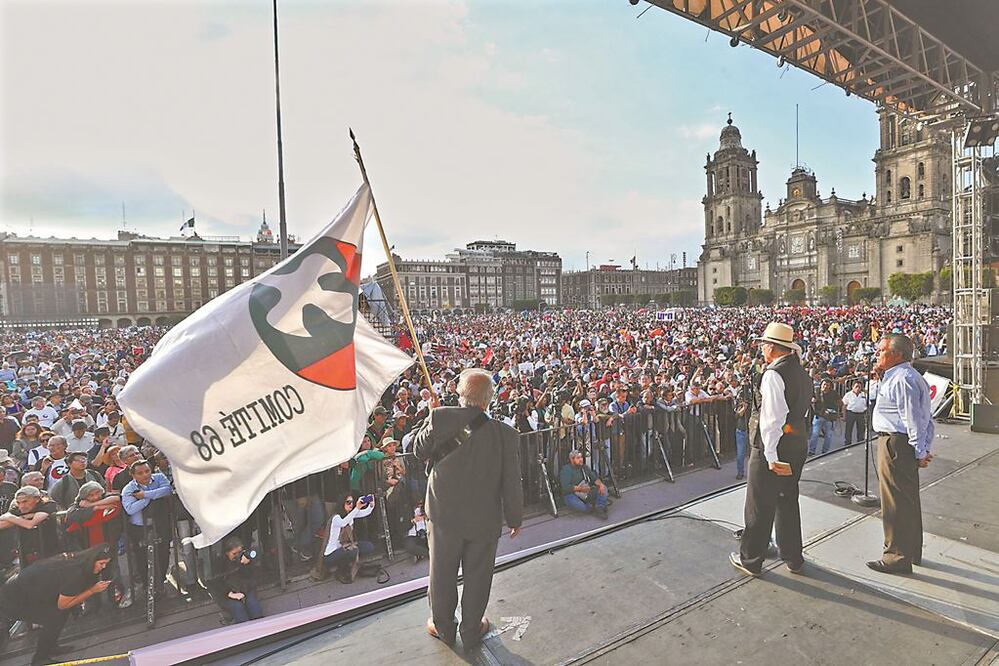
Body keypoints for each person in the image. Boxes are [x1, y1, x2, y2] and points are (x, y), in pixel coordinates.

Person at [413, 368, 523, 651]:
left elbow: (418, 450)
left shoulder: (440, 417)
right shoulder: (506, 434)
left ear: (460, 393)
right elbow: (512, 480)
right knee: (478, 576)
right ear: (489, 399)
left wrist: (431, 417)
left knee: (442, 572)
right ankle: (472, 630)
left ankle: (443, 628)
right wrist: (515, 518)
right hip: (484, 517)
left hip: (443, 515)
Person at [731, 323, 811, 577]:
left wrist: (770, 455)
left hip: (773, 448)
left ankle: (751, 559)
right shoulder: (799, 371)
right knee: (787, 500)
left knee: (759, 505)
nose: (762, 348)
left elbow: (772, 419)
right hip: (796, 444)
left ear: (773, 348)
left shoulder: (774, 375)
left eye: (764, 344)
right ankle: (793, 557)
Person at [867, 334, 933, 575]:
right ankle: (911, 550)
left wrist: (920, 451)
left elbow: (913, 419)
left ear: (896, 354)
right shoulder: (903, 376)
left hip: (895, 444)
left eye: (882, 350)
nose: (877, 354)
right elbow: (925, 418)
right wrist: (922, 448)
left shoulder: (902, 379)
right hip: (901, 444)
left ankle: (896, 557)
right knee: (907, 499)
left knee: (894, 503)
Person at [0, 544, 114, 666]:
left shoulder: (78, 561)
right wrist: (92, 591)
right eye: (101, 563)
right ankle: (40, 658)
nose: (103, 567)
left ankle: (50, 646)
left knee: (60, 613)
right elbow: (63, 604)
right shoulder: (76, 573)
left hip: (26, 591)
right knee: (53, 617)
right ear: (92, 560)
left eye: (106, 564)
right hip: (15, 599)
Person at [121, 459, 173, 595]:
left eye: (147, 471)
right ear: (133, 475)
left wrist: (144, 495)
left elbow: (167, 490)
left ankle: (161, 582)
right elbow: (130, 509)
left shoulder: (159, 477)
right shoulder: (129, 489)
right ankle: (148, 585)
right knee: (142, 557)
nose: (145, 475)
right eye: (140, 473)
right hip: (139, 528)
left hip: (160, 524)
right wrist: (150, 498)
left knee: (163, 553)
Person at [0, 485, 61, 568]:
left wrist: (11, 518)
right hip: (27, 553)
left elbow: (30, 524)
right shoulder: (17, 508)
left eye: (25, 501)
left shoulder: (47, 505)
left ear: (37, 499)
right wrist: (21, 518)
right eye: (18, 502)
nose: (21, 506)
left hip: (49, 551)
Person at [322, 493, 375, 581]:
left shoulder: (350, 514)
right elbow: (343, 522)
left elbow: (365, 513)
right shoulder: (336, 517)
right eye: (348, 502)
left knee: (369, 546)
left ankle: (349, 564)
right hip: (331, 555)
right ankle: (341, 569)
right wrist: (357, 508)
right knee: (352, 551)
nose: (351, 504)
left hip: (345, 547)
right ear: (342, 503)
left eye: (352, 502)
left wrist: (371, 505)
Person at [211, 535, 264, 623]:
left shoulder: (244, 559)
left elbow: (251, 576)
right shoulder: (220, 564)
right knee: (237, 607)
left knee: (252, 603)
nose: (237, 556)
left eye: (239, 553)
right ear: (227, 553)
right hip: (228, 593)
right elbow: (216, 582)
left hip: (245, 589)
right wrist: (230, 594)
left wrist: (246, 564)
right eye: (234, 554)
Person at [559, 449, 609, 518]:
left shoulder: (584, 467)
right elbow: (566, 487)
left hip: (586, 492)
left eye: (581, 457)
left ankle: (599, 507)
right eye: (578, 458)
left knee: (604, 489)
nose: (581, 459)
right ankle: (592, 506)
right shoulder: (566, 469)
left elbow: (594, 479)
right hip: (571, 494)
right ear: (572, 459)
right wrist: (581, 489)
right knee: (581, 507)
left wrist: (601, 485)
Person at [808, 379, 839, 455]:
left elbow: (839, 402)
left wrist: (833, 410)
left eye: (827, 385)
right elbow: (810, 398)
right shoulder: (816, 391)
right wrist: (812, 400)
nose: (825, 386)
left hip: (829, 417)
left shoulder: (833, 393)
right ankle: (812, 451)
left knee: (828, 435)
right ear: (821, 385)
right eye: (824, 384)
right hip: (818, 415)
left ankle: (825, 451)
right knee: (815, 434)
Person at [842, 379, 868, 446]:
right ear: (852, 387)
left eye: (859, 387)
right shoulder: (848, 394)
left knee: (861, 429)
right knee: (849, 429)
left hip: (861, 414)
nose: (858, 388)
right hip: (851, 413)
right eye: (856, 386)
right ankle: (847, 443)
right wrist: (844, 416)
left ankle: (860, 442)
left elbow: (868, 405)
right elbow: (844, 406)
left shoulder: (864, 394)